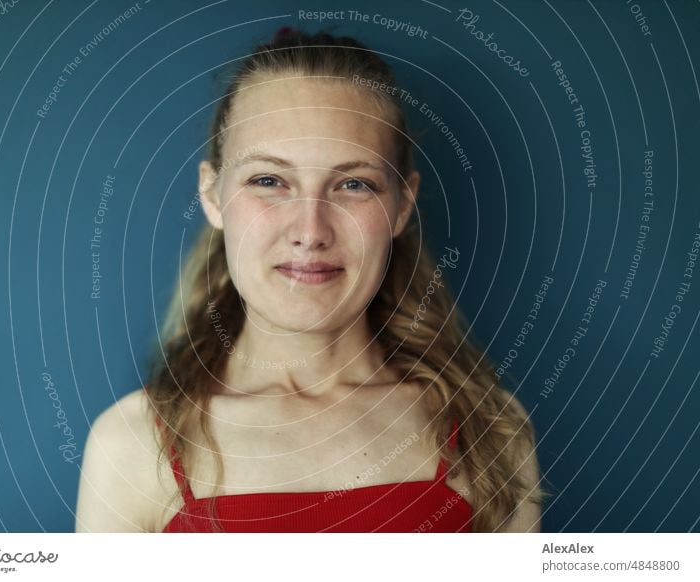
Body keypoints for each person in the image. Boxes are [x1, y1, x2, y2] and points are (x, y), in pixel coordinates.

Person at [75, 27, 544, 533]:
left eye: (353, 184)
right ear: (213, 195)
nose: (310, 231)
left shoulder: (489, 430)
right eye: (269, 181)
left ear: (401, 206)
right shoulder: (131, 444)